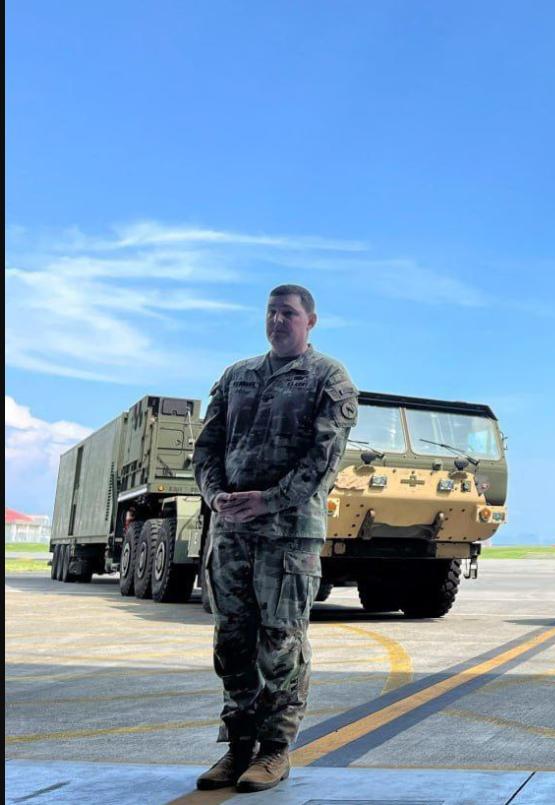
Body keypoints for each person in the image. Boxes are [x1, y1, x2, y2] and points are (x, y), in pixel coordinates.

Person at [192, 284, 357, 792]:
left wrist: (269, 499)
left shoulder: (329, 377)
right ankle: (237, 748)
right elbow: (208, 446)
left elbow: (323, 458)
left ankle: (275, 750)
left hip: (288, 534)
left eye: (288, 313)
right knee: (232, 641)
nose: (278, 320)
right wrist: (216, 495)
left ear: (311, 321)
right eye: (271, 312)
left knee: (281, 643)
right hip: (233, 530)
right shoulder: (236, 375)